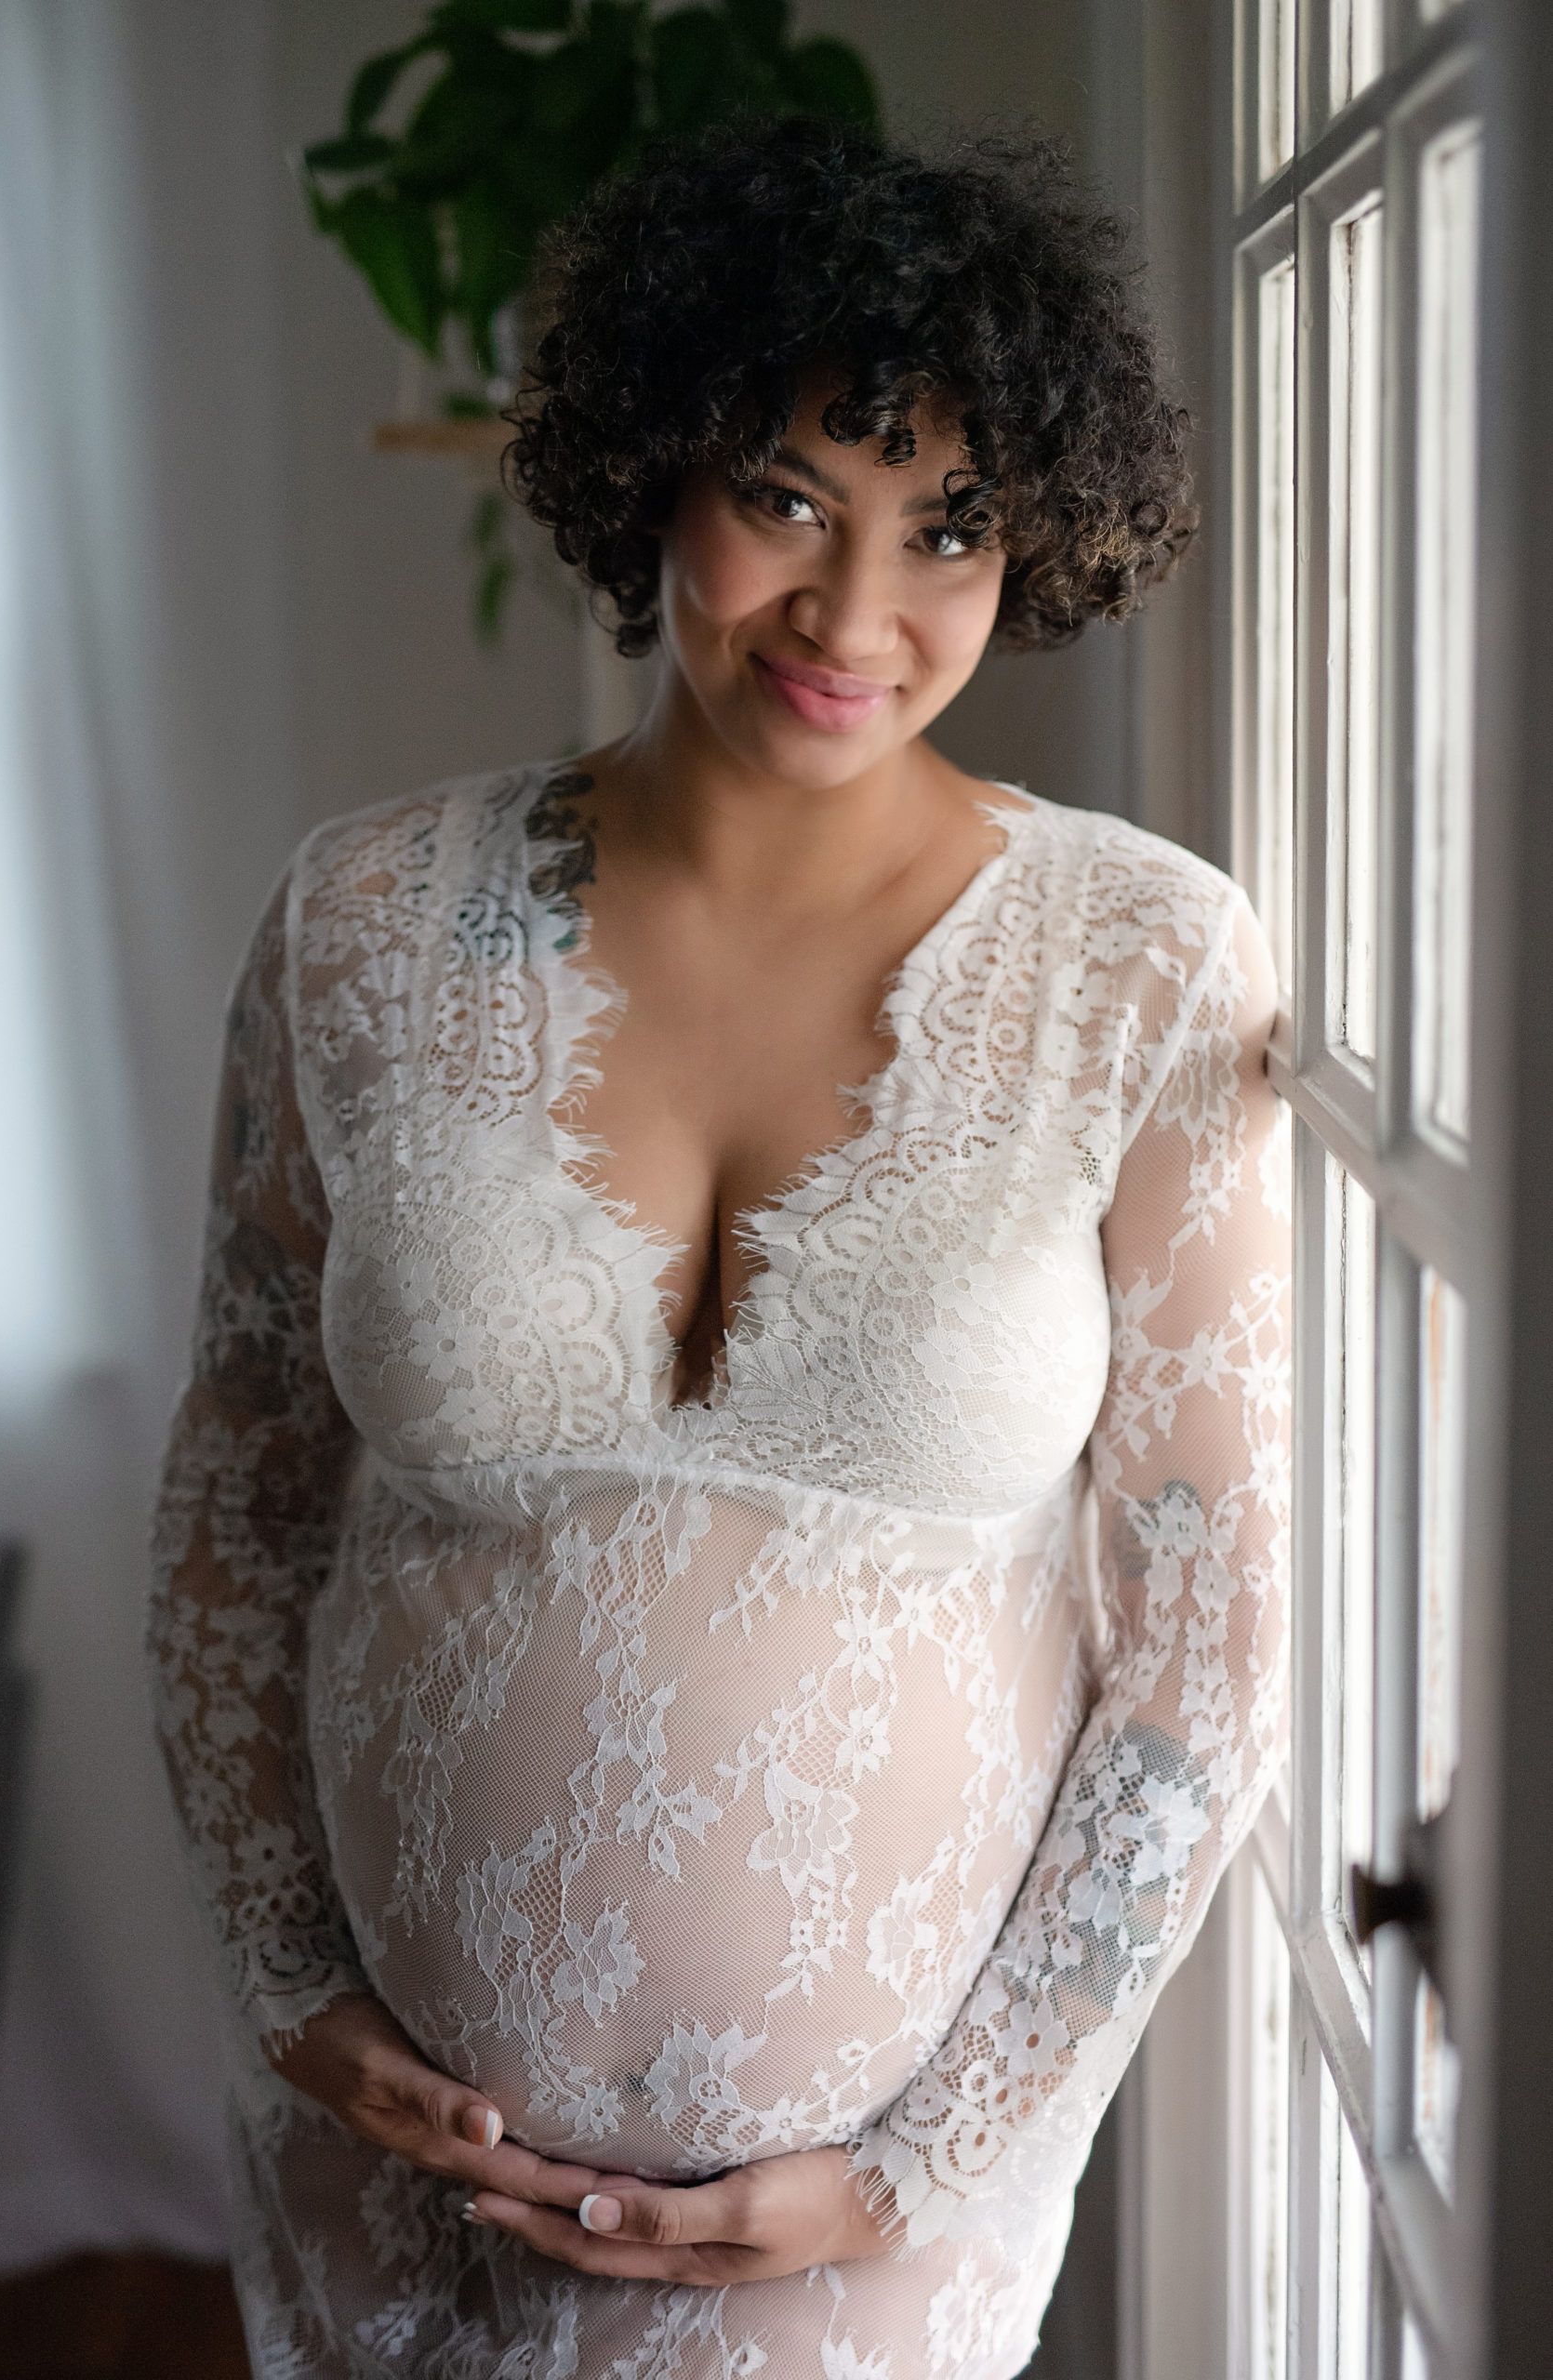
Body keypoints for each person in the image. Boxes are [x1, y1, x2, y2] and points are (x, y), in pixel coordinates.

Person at [144, 111, 1291, 2379]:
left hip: (868, 2237)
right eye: (785, 497)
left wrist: (931, 2153)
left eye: (947, 529)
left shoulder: (1146, 966)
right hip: (393, 2185)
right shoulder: (361, 922)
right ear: (651, 469)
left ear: (1033, 538)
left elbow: (1206, 1635)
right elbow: (237, 1503)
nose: (855, 618)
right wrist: (292, 1987)